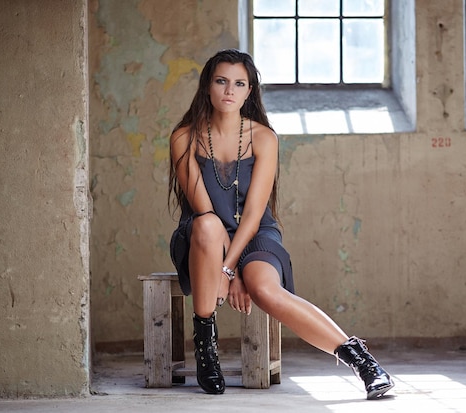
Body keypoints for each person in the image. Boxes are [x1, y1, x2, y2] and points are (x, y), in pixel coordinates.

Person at [167, 49, 394, 400]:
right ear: (208, 87)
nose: (229, 90)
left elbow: (255, 213)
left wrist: (232, 272)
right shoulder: (184, 137)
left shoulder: (264, 138)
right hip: (203, 237)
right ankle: (205, 347)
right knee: (210, 226)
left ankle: (362, 361)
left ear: (249, 91)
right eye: (221, 81)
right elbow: (204, 210)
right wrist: (226, 269)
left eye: (239, 83)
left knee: (267, 290)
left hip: (255, 233)